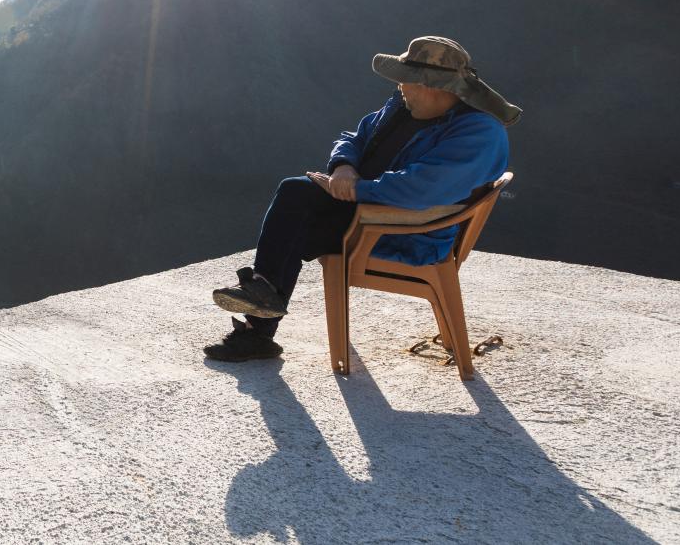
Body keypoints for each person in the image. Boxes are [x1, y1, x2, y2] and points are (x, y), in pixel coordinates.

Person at [204, 36, 520, 362]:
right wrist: (343, 168)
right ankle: (261, 300)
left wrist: (356, 190)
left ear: (432, 86)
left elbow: (423, 188)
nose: (399, 87)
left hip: (405, 232)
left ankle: (258, 325)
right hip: (366, 211)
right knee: (294, 194)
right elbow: (353, 138)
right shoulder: (404, 107)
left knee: (293, 227)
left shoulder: (479, 133)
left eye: (406, 80)